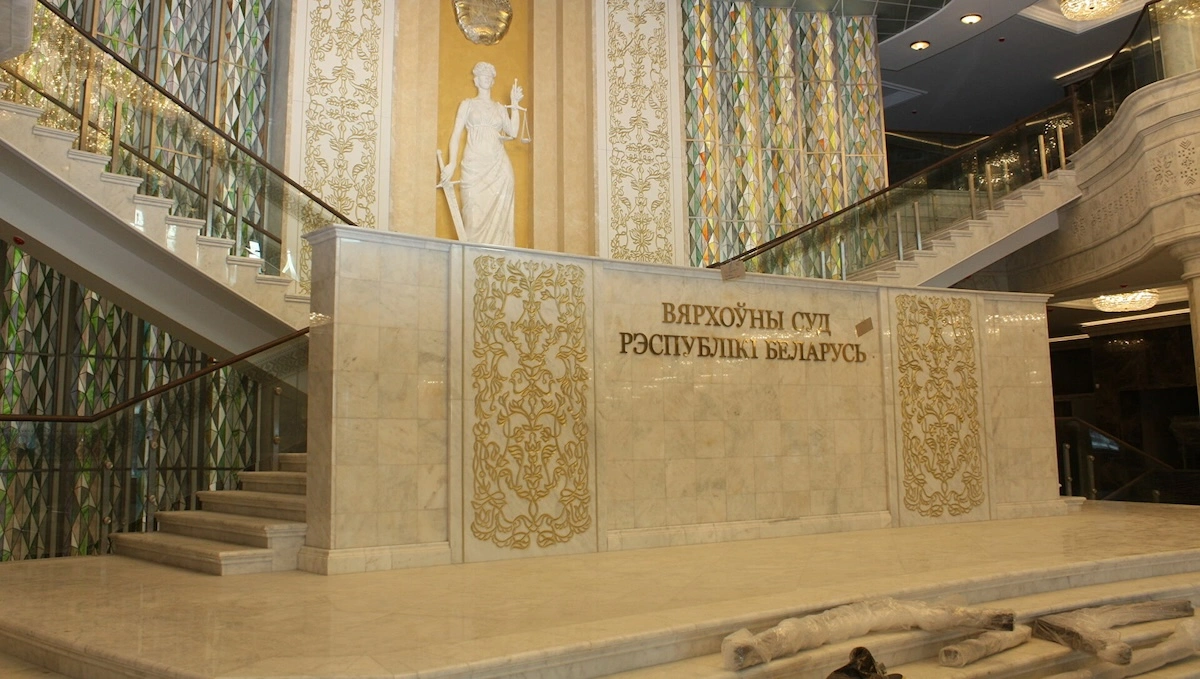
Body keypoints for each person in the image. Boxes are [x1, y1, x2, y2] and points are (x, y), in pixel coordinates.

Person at [441, 62, 522, 246]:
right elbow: (456, 135)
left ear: (492, 81)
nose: (486, 77)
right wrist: (452, 163)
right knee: (473, 212)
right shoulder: (467, 105)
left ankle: (501, 255)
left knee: (501, 216)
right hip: (474, 163)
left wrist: (515, 105)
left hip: (499, 165)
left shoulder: (500, 108)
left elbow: (513, 132)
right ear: (476, 80)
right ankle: (472, 255)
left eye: (489, 75)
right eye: (482, 74)